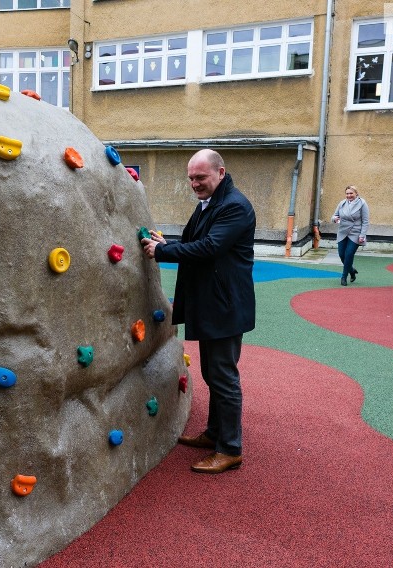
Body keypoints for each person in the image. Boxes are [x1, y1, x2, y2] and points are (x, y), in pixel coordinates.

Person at [141, 149, 256, 474]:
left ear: (220, 172)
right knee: (214, 374)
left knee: (223, 377)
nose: (195, 183)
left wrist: (163, 251)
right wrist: (169, 242)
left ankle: (230, 449)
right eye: (191, 178)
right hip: (216, 304)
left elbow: (210, 247)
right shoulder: (213, 202)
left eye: (201, 177)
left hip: (225, 307)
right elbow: (197, 238)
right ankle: (216, 434)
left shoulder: (233, 205)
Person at [331, 185, 370, 286]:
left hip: (356, 232)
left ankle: (344, 276)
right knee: (341, 254)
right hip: (343, 231)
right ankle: (352, 270)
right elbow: (334, 215)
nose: (349, 195)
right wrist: (335, 218)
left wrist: (362, 235)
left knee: (349, 254)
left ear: (356, 193)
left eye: (351, 193)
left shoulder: (362, 203)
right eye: (347, 193)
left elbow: (365, 221)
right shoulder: (342, 203)